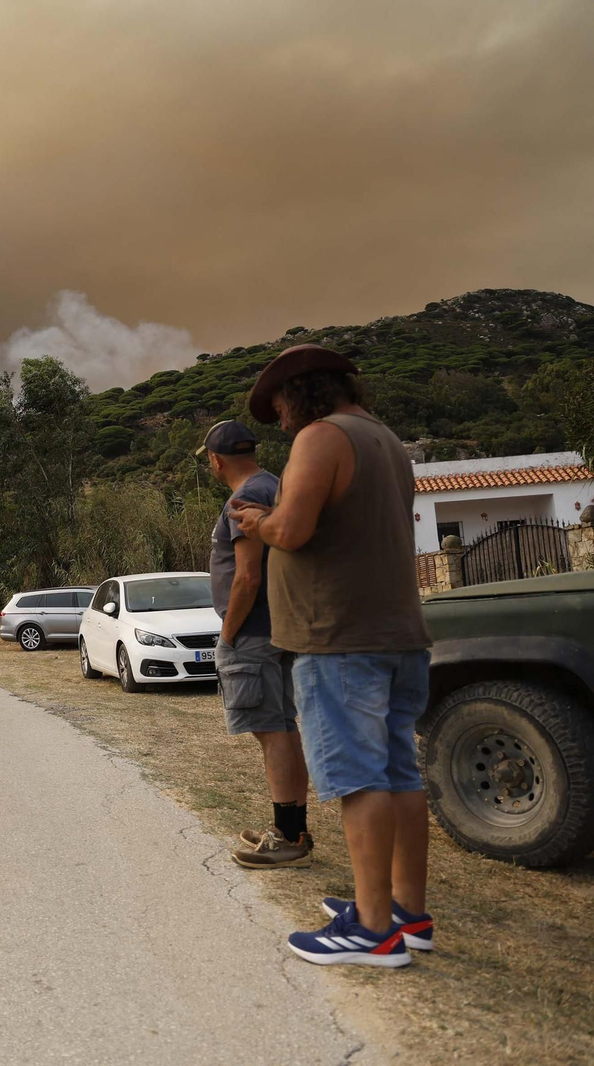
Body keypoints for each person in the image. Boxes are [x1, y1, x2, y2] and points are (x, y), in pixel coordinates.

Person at [232, 344, 434, 969]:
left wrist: (256, 523)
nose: (283, 421)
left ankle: (373, 933)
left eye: (282, 407)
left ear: (303, 393)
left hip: (338, 637)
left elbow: (292, 531)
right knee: (400, 773)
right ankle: (406, 913)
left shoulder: (321, 437)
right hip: (398, 631)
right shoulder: (386, 439)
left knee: (358, 779)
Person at [199, 420, 312, 869]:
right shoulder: (273, 486)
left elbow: (247, 575)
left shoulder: (244, 498)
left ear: (215, 459)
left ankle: (287, 837)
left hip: (253, 633)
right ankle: (292, 827)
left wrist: (228, 636)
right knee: (282, 725)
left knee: (271, 731)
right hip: (278, 626)